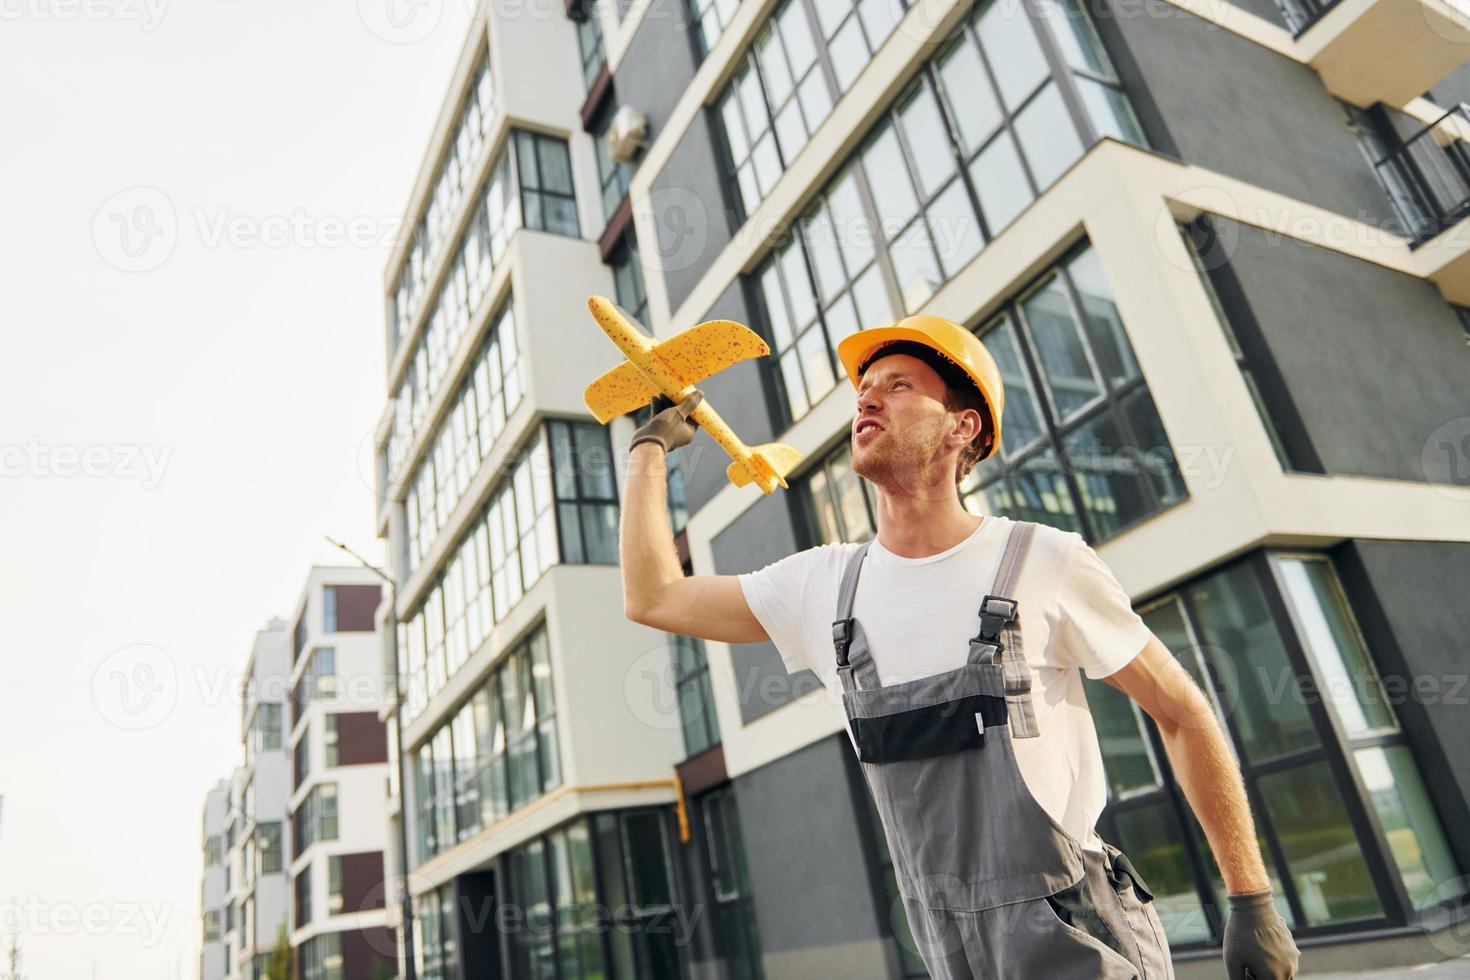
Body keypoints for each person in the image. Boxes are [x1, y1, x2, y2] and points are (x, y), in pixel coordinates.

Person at [619, 312, 1300, 980]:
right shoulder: (824, 587)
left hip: (1079, 940)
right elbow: (653, 597)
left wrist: (1251, 899)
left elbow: (1182, 714)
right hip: (947, 949)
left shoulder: (1045, 560)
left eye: (898, 385)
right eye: (865, 388)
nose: (868, 396)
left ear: (962, 426)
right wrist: (650, 449)